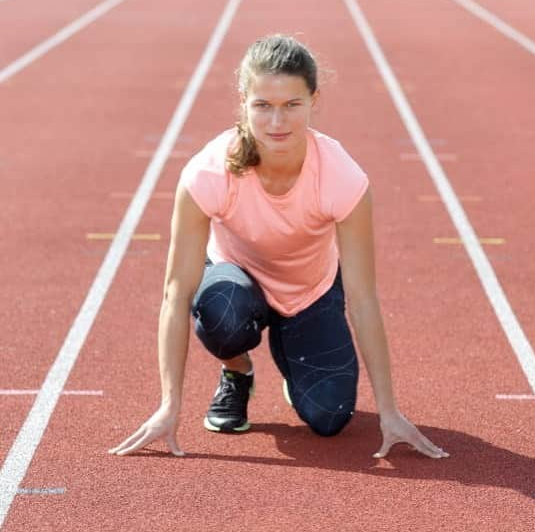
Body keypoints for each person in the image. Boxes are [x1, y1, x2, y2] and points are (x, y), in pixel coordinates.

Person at [109, 34, 449, 460]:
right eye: (263, 105)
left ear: (314, 100)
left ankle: (295, 358)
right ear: (243, 101)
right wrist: (168, 406)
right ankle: (237, 372)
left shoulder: (342, 177)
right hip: (237, 282)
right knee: (222, 312)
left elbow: (362, 299)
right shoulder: (209, 172)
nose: (276, 122)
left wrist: (389, 410)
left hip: (309, 289)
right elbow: (177, 293)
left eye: (292, 105)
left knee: (330, 417)